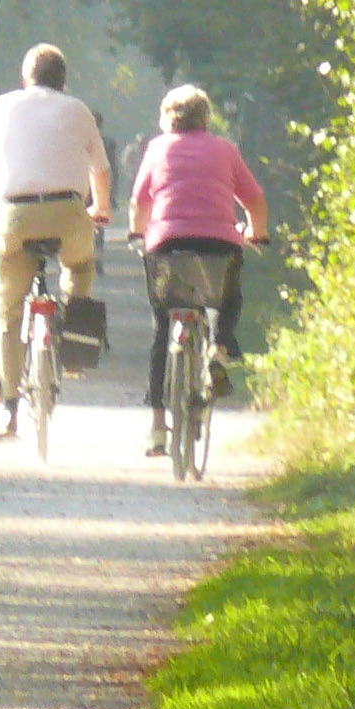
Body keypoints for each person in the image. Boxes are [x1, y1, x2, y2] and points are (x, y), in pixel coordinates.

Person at [0, 43, 113, 440]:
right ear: (63, 80)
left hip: (14, 216)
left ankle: (10, 410)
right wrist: (102, 208)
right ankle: (68, 325)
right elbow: (100, 168)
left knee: (8, 314)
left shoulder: (1, 107)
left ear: (25, 77)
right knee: (80, 266)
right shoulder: (78, 109)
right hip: (68, 213)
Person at [129, 84, 268, 457]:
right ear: (206, 118)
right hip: (218, 245)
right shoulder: (225, 150)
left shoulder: (157, 148)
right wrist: (258, 233)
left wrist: (138, 233)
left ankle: (158, 428)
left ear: (166, 118)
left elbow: (140, 200)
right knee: (227, 296)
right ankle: (219, 347)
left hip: (167, 246)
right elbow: (253, 198)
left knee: (163, 328)